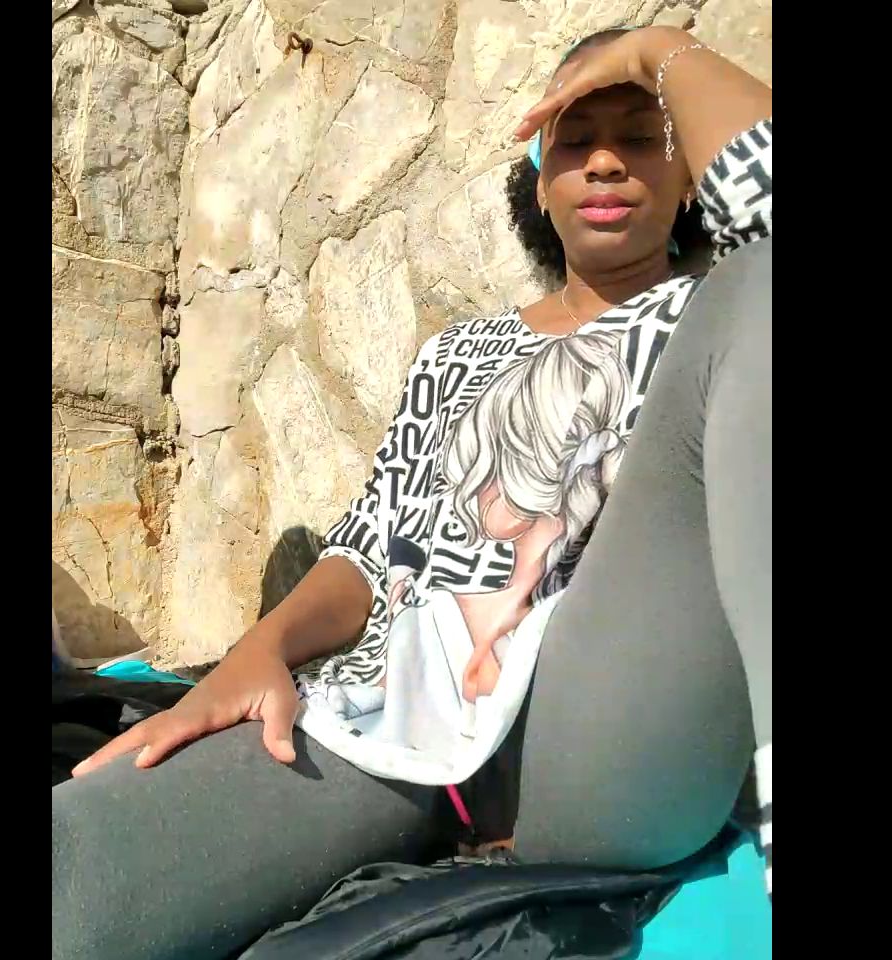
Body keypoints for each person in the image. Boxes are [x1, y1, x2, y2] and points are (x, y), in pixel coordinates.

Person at [54, 25, 772, 959]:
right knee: (79, 868)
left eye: (642, 138)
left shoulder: (710, 318)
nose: (605, 162)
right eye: (575, 141)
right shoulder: (459, 352)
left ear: (688, 179)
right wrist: (256, 652)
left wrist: (658, 50)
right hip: (383, 714)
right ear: (539, 181)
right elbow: (367, 545)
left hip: (595, 731)